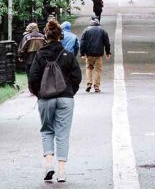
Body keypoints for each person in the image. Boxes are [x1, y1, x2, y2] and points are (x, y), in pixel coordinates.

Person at [28, 20, 82, 183]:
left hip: (46, 99)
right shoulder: (68, 55)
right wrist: (69, 92)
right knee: (63, 134)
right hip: (66, 98)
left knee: (47, 131)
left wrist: (40, 94)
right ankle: (61, 172)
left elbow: (33, 77)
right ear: (61, 36)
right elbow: (77, 77)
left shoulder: (39, 55)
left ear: (46, 35)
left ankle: (48, 165)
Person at [80, 16, 111, 93]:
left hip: (89, 54)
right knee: (98, 70)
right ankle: (96, 86)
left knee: (89, 68)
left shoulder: (86, 30)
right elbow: (107, 43)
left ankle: (89, 84)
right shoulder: (103, 30)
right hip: (99, 54)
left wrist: (82, 53)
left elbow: (82, 43)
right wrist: (107, 52)